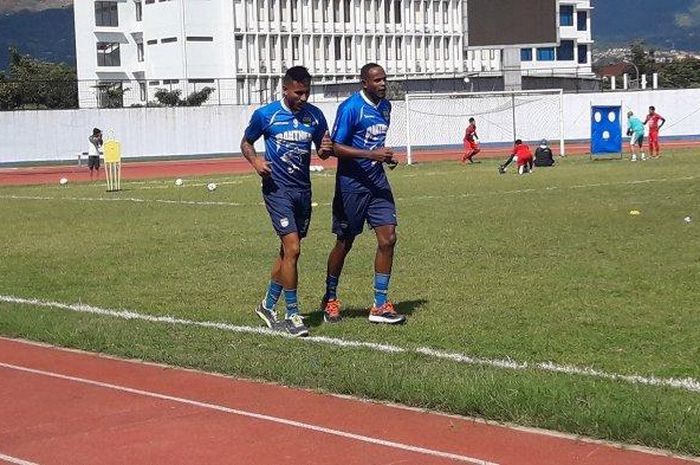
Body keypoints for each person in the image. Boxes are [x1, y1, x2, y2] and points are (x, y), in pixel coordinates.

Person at [240, 66, 332, 337]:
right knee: (293, 249)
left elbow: (323, 151)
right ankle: (293, 314)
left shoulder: (315, 116)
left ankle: (267, 305)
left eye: (307, 92)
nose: (303, 97)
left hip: (302, 191)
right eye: (298, 92)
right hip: (277, 190)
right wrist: (255, 160)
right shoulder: (266, 115)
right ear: (285, 89)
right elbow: (246, 142)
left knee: (287, 251)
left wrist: (326, 151)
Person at [319, 63, 406, 325]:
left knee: (388, 237)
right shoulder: (350, 108)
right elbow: (334, 147)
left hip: (377, 182)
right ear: (364, 83)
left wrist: (384, 157)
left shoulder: (387, 108)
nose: (383, 84)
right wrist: (371, 155)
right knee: (345, 243)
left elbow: (374, 144)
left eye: (384, 80)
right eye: (377, 80)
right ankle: (330, 298)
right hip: (351, 184)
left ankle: (380, 304)